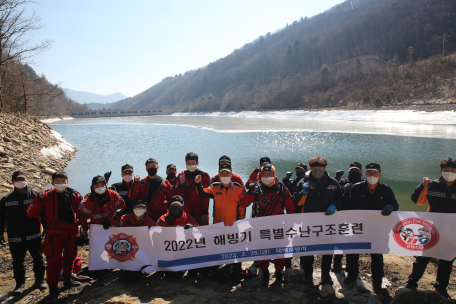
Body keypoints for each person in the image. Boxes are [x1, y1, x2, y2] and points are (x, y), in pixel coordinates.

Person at [27, 171, 87, 302]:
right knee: (54, 261)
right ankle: (53, 288)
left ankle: (67, 279)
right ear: (52, 182)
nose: (60, 183)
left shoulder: (74, 195)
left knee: (70, 257)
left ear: (67, 182)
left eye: (63, 181)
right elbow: (31, 213)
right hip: (54, 234)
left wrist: (84, 229)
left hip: (72, 232)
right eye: (57, 181)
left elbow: (81, 212)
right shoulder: (45, 196)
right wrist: (39, 199)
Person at [403, 157, 456, 299]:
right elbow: (417, 201)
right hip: (430, 228)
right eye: (446, 170)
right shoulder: (432, 185)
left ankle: (441, 287)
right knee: (422, 257)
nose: (449, 173)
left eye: (452, 170)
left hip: (452, 230)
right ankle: (412, 282)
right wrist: (423, 185)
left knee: (446, 260)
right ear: (441, 171)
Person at [342, 163, 398, 293]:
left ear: (380, 174)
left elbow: (395, 203)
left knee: (377, 255)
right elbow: (348, 207)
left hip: (377, 229)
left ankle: (377, 281)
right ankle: (351, 276)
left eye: (375, 173)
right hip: (358, 226)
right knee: (353, 252)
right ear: (365, 174)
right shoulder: (356, 188)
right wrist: (346, 193)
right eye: (369, 173)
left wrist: (390, 206)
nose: (372, 176)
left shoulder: (386, 189)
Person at [240, 163, 295, 286]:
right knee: (263, 252)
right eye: (263, 174)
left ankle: (279, 276)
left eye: (269, 174)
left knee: (279, 254)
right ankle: (265, 276)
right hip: (261, 227)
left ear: (274, 175)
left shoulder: (282, 190)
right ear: (260, 176)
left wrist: (290, 225)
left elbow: (291, 208)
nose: (266, 176)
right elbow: (243, 204)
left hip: (278, 227)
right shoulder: (256, 190)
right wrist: (249, 191)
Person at [293, 156, 342, 286]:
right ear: (310, 169)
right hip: (308, 222)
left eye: (320, 168)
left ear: (325, 168)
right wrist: (303, 192)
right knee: (308, 250)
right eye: (314, 168)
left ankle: (325, 275)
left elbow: (340, 198)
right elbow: (296, 202)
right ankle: (308, 275)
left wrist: (334, 205)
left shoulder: (333, 183)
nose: (317, 170)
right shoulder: (303, 181)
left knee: (327, 250)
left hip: (327, 222)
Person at [196, 163, 245, 282]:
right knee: (218, 247)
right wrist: (198, 183)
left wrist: (242, 221)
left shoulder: (238, 188)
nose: (224, 175)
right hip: (219, 225)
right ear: (218, 175)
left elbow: (242, 205)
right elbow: (202, 193)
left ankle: (237, 271)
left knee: (235, 248)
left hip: (234, 225)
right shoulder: (215, 187)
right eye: (222, 173)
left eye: (227, 173)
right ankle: (217, 269)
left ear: (231, 174)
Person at [0, 170, 46, 295]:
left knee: (38, 259)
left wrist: (46, 229)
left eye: (23, 179)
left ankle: (40, 280)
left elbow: (44, 214)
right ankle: (19, 284)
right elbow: (1, 218)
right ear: (12, 182)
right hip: (15, 237)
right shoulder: (6, 199)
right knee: (17, 262)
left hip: (34, 234)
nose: (21, 181)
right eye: (18, 179)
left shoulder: (36, 196)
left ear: (27, 180)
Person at [78, 174, 125, 286]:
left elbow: (122, 206)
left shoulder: (113, 194)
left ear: (106, 184)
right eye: (97, 185)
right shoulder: (89, 197)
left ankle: (114, 268)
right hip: (96, 229)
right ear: (92, 187)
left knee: (114, 248)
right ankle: (99, 277)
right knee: (97, 252)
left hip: (111, 227)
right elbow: (83, 215)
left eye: (102, 184)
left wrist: (111, 219)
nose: (100, 187)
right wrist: (84, 230)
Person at [103, 198, 155, 282]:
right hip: (128, 252)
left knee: (133, 277)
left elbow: (153, 246)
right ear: (133, 208)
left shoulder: (151, 224)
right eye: (136, 207)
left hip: (142, 256)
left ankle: (141, 270)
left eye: (141, 207)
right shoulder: (127, 217)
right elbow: (115, 227)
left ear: (145, 209)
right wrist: (116, 217)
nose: (138, 209)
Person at [332, 161, 364, 272]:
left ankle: (352, 267)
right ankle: (337, 263)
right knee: (339, 241)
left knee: (354, 244)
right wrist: (337, 179)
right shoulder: (343, 182)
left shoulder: (364, 184)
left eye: (356, 170)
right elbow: (334, 195)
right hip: (342, 216)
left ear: (361, 172)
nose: (354, 172)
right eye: (352, 170)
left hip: (357, 218)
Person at [175, 152, 211, 226]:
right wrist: (181, 185)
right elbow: (177, 194)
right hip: (185, 210)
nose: (191, 164)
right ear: (185, 163)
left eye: (193, 163)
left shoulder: (204, 176)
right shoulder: (181, 175)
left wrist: (205, 213)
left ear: (197, 163)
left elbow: (206, 196)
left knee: (203, 234)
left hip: (200, 210)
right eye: (188, 162)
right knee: (185, 234)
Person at [210, 155, 246, 220]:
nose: (224, 164)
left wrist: (242, 217)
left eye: (226, 162)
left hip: (235, 214)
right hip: (218, 214)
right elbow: (206, 194)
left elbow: (243, 197)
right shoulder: (214, 179)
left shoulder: (237, 178)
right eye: (222, 162)